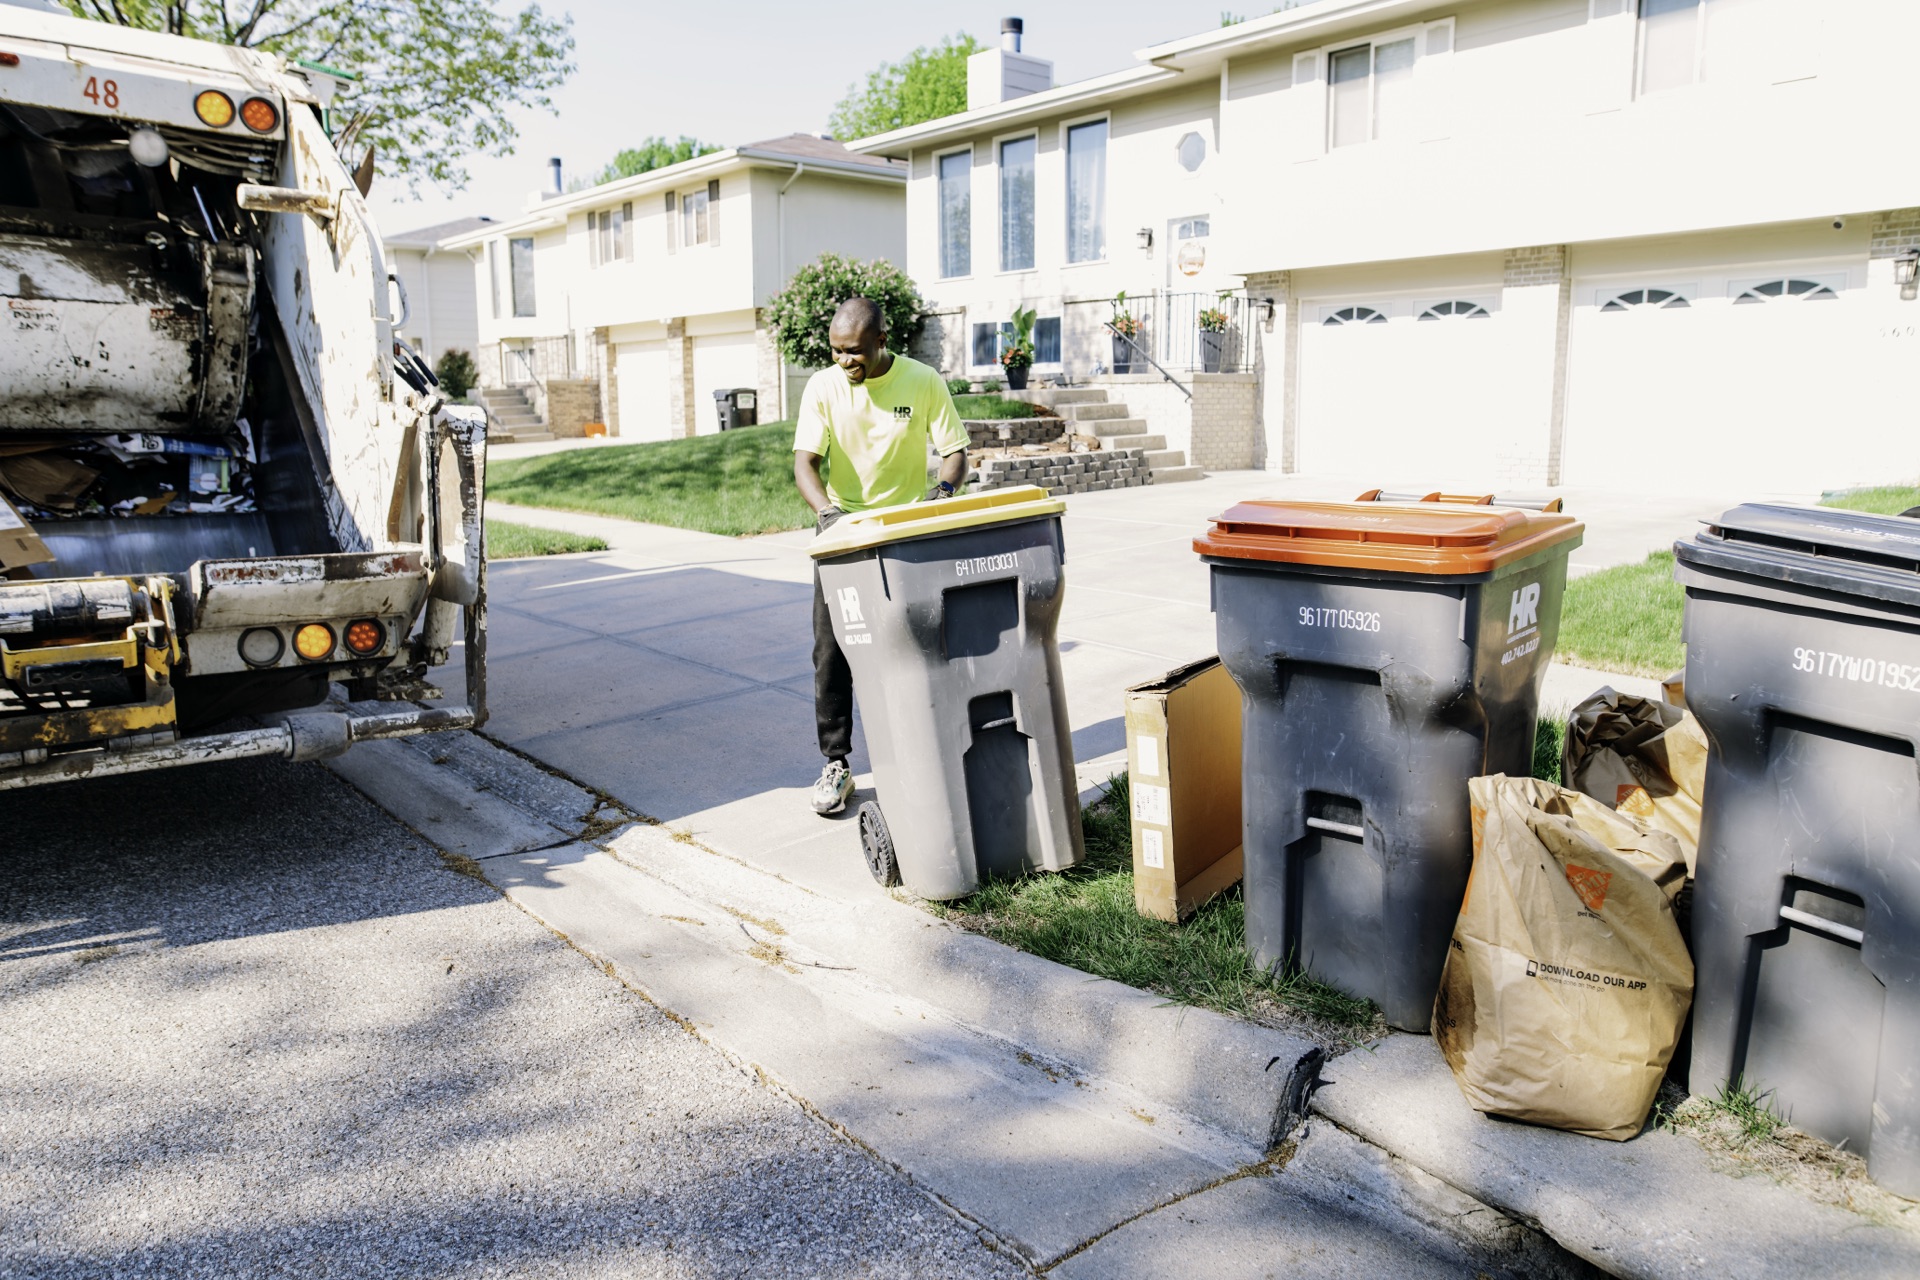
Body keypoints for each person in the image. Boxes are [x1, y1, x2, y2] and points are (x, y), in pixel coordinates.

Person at [793, 296, 970, 815]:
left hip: (907, 532)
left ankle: (930, 751)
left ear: (881, 343)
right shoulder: (824, 386)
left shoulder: (922, 380)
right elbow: (805, 463)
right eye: (836, 351)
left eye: (854, 352)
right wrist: (828, 514)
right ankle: (836, 763)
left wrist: (941, 497)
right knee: (832, 652)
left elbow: (954, 452)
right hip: (844, 528)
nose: (844, 361)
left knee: (919, 645)